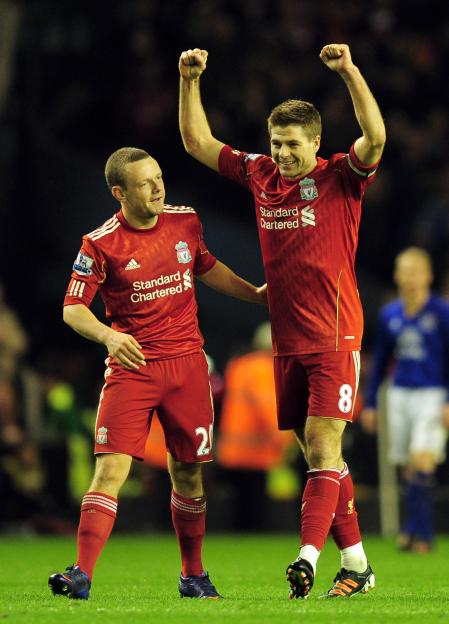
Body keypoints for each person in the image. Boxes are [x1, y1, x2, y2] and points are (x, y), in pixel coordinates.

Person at [178, 43, 386, 599]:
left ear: (315, 142)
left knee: (322, 450)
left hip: (337, 334)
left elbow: (377, 137)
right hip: (288, 341)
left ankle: (307, 556)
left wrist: (348, 71)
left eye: (293, 144)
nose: (283, 153)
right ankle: (359, 565)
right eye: (276, 143)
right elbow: (197, 142)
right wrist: (189, 80)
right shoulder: (260, 175)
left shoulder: (343, 176)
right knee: (324, 460)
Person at [48, 147, 266, 600]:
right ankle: (81, 572)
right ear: (119, 193)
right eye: (145, 182)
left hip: (188, 368)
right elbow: (72, 309)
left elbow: (206, 268)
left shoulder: (184, 221)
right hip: (134, 369)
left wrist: (255, 295)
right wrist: (109, 337)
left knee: (188, 475)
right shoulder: (100, 243)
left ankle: (193, 576)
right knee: (110, 470)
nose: (157, 187)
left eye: (159, 177)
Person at [362, 247, 449, 552]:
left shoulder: (442, 313)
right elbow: (381, 361)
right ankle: (415, 531)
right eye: (405, 271)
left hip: (432, 393)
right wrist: (371, 403)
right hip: (399, 394)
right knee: (408, 468)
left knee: (422, 458)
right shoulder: (389, 314)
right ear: (397, 275)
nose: (410, 278)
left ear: (428, 276)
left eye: (416, 272)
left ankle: (419, 533)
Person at [216, 322, 294, 531]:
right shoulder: (264, 369)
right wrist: (286, 442)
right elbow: (268, 407)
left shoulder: (239, 365)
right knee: (255, 514)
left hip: (232, 449)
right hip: (256, 453)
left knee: (239, 511)